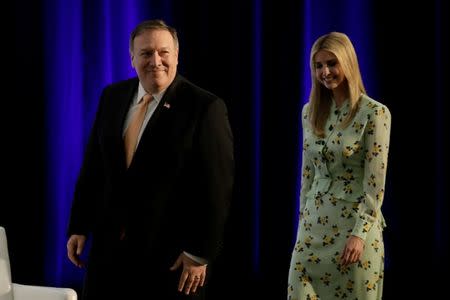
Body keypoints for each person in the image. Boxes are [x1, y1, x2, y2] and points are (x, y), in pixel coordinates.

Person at [66, 19, 234, 299]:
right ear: (132, 58)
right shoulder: (112, 96)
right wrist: (79, 226)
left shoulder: (205, 108)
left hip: (171, 261)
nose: (155, 61)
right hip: (108, 254)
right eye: (145, 53)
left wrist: (199, 253)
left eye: (163, 52)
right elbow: (94, 166)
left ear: (177, 56)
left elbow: (217, 188)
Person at [288, 32, 391, 299]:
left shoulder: (375, 113)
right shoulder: (308, 112)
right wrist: (302, 224)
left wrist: (359, 234)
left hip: (354, 233)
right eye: (318, 65)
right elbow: (307, 175)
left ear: (348, 62)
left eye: (332, 63)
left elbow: (374, 184)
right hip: (312, 232)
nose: (325, 72)